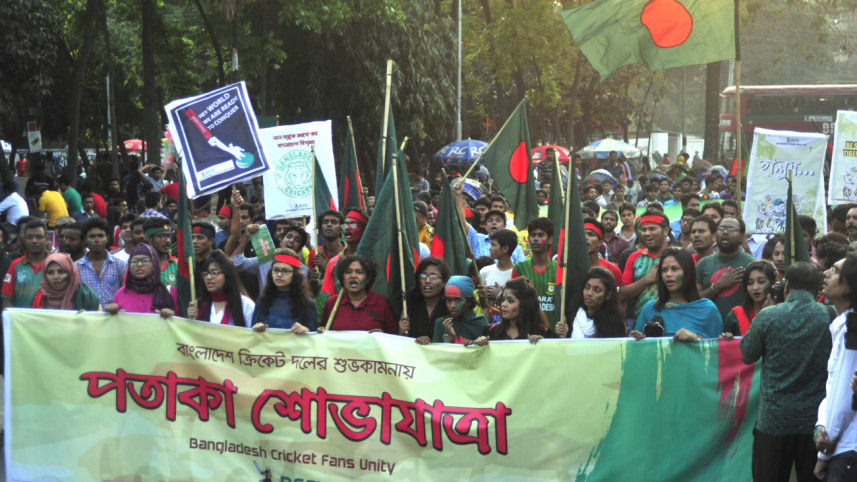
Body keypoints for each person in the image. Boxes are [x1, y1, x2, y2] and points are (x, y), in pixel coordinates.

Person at [740, 262, 831, 482]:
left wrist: (765, 311)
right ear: (817, 287)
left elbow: (747, 355)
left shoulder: (768, 316)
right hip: (813, 421)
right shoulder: (829, 314)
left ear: (786, 285)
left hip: (773, 420)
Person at [814, 255, 857, 480]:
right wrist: (821, 425)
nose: (826, 273)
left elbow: (844, 394)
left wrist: (824, 453)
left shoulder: (852, 327)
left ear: (851, 285)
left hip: (849, 447)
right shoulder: (841, 324)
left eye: (836, 270)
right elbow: (832, 389)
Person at [630, 248, 722, 341]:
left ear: (688, 272)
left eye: (675, 269)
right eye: (664, 270)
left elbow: (718, 349)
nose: (668, 274)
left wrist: (696, 338)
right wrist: (639, 338)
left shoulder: (708, 310)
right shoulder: (650, 308)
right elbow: (636, 349)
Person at [696, 217, 756, 321]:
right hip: (709, 326)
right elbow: (694, 299)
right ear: (715, 235)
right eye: (721, 228)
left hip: (741, 326)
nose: (725, 232)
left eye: (731, 229)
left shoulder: (751, 264)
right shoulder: (703, 263)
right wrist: (718, 285)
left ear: (742, 237)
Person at [319, 255, 397, 334]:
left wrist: (382, 335)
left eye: (359, 272)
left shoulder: (382, 303)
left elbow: (393, 338)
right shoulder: (332, 303)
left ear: (368, 279)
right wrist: (321, 331)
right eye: (348, 272)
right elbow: (325, 336)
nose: (353, 276)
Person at [619, 209, 671, 320]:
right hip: (640, 324)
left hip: (674, 321)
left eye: (652, 228)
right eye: (644, 229)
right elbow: (622, 294)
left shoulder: (679, 256)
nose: (646, 233)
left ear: (666, 230)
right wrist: (647, 279)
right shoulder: (634, 257)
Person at [471, 277, 554, 344]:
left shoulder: (542, 332)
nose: (503, 304)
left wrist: (543, 344)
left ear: (524, 304)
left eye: (510, 301)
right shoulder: (494, 331)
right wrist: (479, 343)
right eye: (503, 299)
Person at [250, 249, 317, 333]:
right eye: (276, 270)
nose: (279, 275)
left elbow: (314, 336)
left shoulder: (307, 304)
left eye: (285, 271)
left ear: (295, 274)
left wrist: (306, 330)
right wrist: (257, 328)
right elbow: (252, 333)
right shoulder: (263, 301)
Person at [105, 244, 177, 316]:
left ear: (154, 264)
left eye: (145, 261)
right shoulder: (120, 294)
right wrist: (111, 313)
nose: (139, 264)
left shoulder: (169, 292)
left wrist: (172, 317)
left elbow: (180, 324)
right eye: (135, 261)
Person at [187, 250, 255, 327]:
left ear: (227, 274)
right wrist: (190, 319)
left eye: (214, 273)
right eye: (205, 274)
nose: (208, 277)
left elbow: (252, 336)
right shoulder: (199, 305)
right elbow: (193, 336)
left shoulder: (245, 304)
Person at [555, 267, 627, 339]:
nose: (589, 293)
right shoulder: (573, 316)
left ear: (608, 295)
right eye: (587, 287)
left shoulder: (615, 323)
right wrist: (563, 335)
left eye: (597, 290)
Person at [512, 217, 558, 327]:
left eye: (541, 235)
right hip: (525, 332)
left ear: (550, 239)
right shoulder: (519, 268)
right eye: (533, 235)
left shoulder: (559, 270)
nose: (535, 239)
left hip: (553, 335)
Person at [75, 218, 126, 308]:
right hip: (88, 318)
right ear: (85, 239)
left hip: (113, 318)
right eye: (92, 236)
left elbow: (126, 293)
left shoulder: (119, 265)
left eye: (101, 236)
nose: (97, 240)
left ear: (107, 238)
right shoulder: (76, 267)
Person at [2, 219, 51, 308]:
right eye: (29, 237)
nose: (34, 240)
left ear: (46, 239)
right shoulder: (15, 265)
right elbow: (6, 299)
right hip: (22, 321)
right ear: (25, 239)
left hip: (49, 320)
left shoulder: (55, 263)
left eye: (39, 237)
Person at [399, 257, 450, 343]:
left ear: (444, 282)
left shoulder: (450, 307)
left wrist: (433, 341)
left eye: (433, 276)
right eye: (423, 276)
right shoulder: (410, 306)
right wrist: (401, 332)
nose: (427, 280)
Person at [721, 260, 777, 337]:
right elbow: (727, 347)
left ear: (773, 283)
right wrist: (727, 339)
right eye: (750, 283)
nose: (755, 287)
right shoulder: (735, 316)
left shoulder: (783, 312)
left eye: (761, 282)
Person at [31, 252, 100, 310]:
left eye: (61, 272)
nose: (56, 277)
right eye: (50, 273)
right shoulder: (39, 298)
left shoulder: (87, 297)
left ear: (70, 274)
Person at [430, 275, 488, 344]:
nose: (452, 305)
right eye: (448, 300)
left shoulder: (481, 324)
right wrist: (451, 338)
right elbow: (436, 352)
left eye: (458, 300)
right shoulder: (441, 323)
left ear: (469, 301)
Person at [477, 229, 518, 325]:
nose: (490, 248)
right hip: (489, 327)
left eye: (493, 245)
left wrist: (500, 295)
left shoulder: (517, 273)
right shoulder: (485, 272)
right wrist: (482, 297)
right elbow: (483, 306)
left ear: (505, 249)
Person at [583, 218, 623, 284]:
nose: (585, 237)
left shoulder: (612, 270)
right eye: (582, 233)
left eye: (591, 234)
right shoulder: (570, 267)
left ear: (600, 243)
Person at [143, 218, 178, 287]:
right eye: (162, 236)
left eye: (169, 236)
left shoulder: (177, 265)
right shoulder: (138, 264)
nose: (168, 240)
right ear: (149, 239)